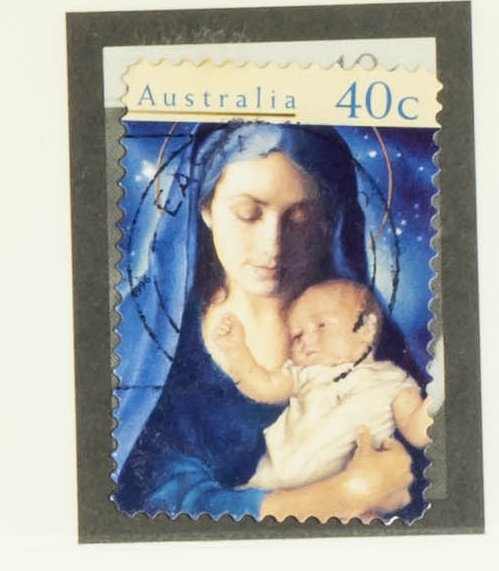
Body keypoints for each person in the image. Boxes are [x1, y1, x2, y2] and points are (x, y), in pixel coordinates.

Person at [107, 121, 431, 524]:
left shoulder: (362, 328)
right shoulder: (152, 338)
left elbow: (424, 475)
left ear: (329, 222)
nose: (273, 245)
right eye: (248, 214)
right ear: (205, 209)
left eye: (300, 217)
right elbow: (150, 498)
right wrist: (341, 495)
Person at [243, 272, 441, 502]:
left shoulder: (393, 381)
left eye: (321, 326)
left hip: (341, 493)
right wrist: (236, 352)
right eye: (297, 336)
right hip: (273, 482)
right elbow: (264, 386)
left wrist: (440, 386)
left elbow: (418, 432)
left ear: (366, 327)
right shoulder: (306, 373)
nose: (306, 340)